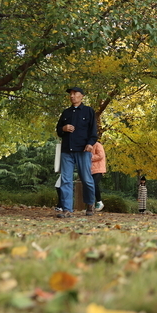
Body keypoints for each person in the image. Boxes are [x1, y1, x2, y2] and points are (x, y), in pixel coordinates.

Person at [56, 86, 98, 218]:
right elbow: (58, 130)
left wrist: (90, 144)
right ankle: (67, 210)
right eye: (71, 94)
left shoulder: (89, 111)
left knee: (87, 179)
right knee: (66, 180)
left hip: (83, 150)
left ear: (82, 96)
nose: (72, 96)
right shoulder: (66, 112)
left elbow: (93, 131)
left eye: (75, 94)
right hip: (66, 150)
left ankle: (90, 204)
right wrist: (63, 128)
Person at [91, 141, 106, 211]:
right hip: (91, 170)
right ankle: (91, 205)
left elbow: (101, 155)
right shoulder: (88, 145)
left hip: (98, 169)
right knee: (90, 186)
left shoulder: (97, 145)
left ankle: (99, 201)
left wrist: (90, 157)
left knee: (94, 184)